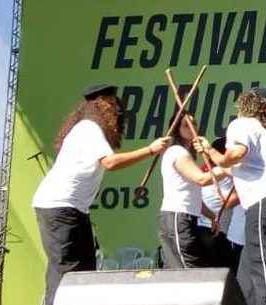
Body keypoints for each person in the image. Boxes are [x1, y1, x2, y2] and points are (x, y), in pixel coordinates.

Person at [32, 85, 171, 305]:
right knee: (67, 272)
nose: (116, 110)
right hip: (59, 206)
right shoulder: (89, 128)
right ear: (99, 105)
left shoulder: (87, 129)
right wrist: (150, 150)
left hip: (73, 209)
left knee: (84, 271)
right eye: (111, 104)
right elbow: (110, 162)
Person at [195, 88, 266, 305]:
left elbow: (235, 156)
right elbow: (237, 168)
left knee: (265, 267)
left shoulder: (242, 124)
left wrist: (209, 151)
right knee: (256, 265)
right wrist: (210, 172)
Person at [158, 113, 226, 268]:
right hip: (177, 216)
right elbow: (201, 179)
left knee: (184, 267)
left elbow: (192, 195)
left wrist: (211, 216)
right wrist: (230, 168)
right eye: (186, 125)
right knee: (187, 268)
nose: (192, 127)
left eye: (194, 124)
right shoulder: (177, 152)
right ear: (176, 130)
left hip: (185, 217)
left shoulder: (186, 155)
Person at [197, 136, 239, 268]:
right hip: (215, 232)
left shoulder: (205, 171)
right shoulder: (225, 172)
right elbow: (229, 202)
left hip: (204, 228)